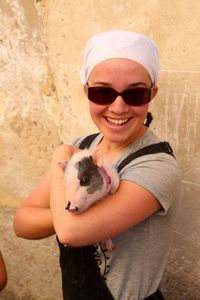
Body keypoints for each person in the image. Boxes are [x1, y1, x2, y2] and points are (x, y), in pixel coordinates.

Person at [13, 30, 181, 300]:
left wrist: (60, 157)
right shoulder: (83, 143)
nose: (118, 107)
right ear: (86, 92)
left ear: (152, 93)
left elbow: (70, 232)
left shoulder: (156, 165)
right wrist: (72, 210)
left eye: (135, 94)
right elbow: (22, 223)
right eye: (103, 93)